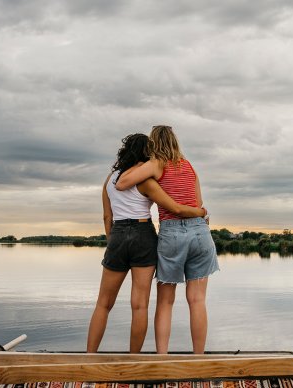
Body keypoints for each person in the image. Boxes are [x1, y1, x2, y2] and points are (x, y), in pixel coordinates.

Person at [87, 133, 206, 353]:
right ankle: (135, 359)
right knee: (139, 305)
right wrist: (200, 212)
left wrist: (112, 242)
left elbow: (107, 217)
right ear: (147, 152)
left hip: (118, 234)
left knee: (103, 303)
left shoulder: (110, 179)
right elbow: (172, 205)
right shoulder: (147, 181)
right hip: (143, 234)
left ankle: (89, 356)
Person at [116, 125, 219, 354]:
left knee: (165, 302)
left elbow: (122, 183)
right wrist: (201, 217)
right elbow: (198, 205)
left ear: (153, 143)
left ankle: (163, 358)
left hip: (171, 233)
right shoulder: (190, 166)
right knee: (197, 300)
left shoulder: (156, 164)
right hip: (200, 232)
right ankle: (198, 359)